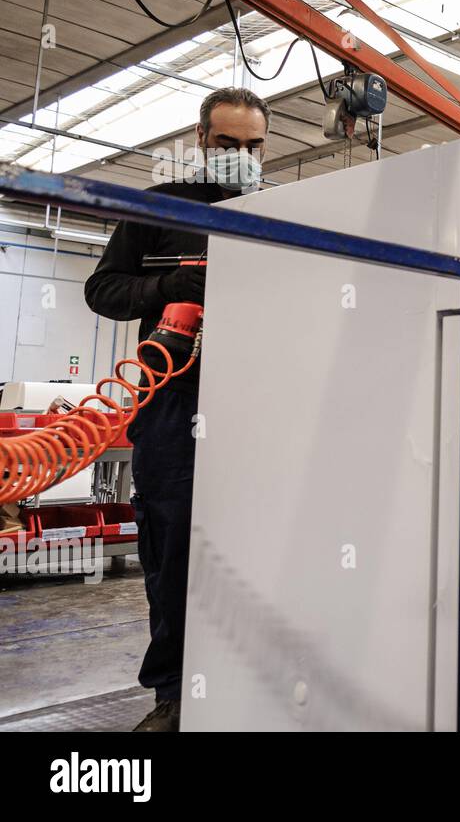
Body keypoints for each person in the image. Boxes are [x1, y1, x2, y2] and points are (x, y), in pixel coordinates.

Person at [85, 87, 270, 731]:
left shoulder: (281, 210)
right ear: (200, 141)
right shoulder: (156, 209)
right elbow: (102, 289)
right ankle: (173, 691)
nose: (241, 158)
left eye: (254, 147)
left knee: (261, 545)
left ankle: (252, 681)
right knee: (170, 546)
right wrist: (166, 287)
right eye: (228, 145)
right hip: (172, 403)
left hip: (261, 402)